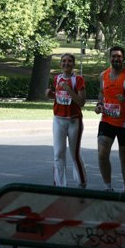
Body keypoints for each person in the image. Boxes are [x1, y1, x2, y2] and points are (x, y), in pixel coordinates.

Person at [95, 45, 125, 193]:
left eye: (119, 56)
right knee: (102, 154)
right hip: (107, 120)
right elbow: (101, 93)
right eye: (114, 56)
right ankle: (107, 187)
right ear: (109, 58)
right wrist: (99, 104)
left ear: (123, 58)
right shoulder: (103, 75)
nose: (116, 59)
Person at [47, 53, 88, 188]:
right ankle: (60, 186)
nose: (66, 63)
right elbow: (59, 96)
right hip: (58, 120)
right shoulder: (57, 78)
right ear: (60, 64)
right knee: (58, 154)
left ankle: (81, 183)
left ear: (73, 65)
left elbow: (81, 102)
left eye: (69, 61)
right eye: (64, 61)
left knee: (74, 154)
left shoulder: (78, 80)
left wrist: (69, 89)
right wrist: (50, 94)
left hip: (73, 121)